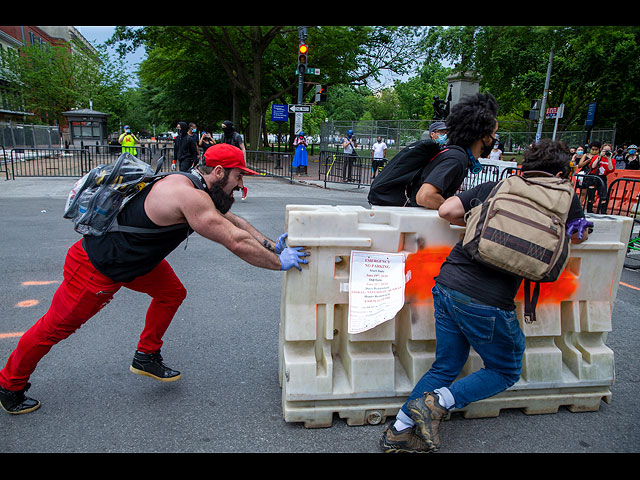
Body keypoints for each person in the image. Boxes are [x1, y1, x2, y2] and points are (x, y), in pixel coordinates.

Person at [0, 143, 309, 415]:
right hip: (97, 267)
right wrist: (278, 263)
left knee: (172, 292)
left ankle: (146, 355)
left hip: (137, 263)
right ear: (218, 171)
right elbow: (235, 241)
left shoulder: (195, 184)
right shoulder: (189, 197)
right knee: (53, 329)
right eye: (238, 177)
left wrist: (273, 246)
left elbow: (236, 222)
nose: (241, 186)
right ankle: (8, 386)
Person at [380, 139, 591, 453]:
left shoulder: (498, 186)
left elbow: (446, 209)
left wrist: (481, 222)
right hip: (487, 299)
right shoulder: (565, 198)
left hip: (448, 282)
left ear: (524, 167)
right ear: (561, 174)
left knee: (446, 365)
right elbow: (580, 234)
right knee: (504, 369)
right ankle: (437, 403)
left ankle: (398, 431)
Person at [408, 92, 500, 209]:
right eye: (493, 133)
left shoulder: (455, 154)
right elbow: (425, 196)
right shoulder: (456, 158)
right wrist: (463, 214)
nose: (495, 138)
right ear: (484, 136)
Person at [220, 121, 247, 199]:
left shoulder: (237, 136)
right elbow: (222, 147)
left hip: (236, 158)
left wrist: (244, 160)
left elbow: (243, 148)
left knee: (236, 175)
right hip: (226, 158)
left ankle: (242, 188)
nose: (223, 129)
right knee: (226, 175)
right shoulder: (223, 136)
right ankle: (230, 192)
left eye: (225, 127)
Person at [588, 142, 615, 213]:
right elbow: (593, 166)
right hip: (593, 177)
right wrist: (600, 156)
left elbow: (611, 169)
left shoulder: (612, 160)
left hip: (602, 178)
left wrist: (609, 158)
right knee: (591, 196)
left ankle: (602, 211)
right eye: (604, 150)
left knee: (603, 196)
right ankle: (589, 210)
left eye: (608, 151)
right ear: (601, 150)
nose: (606, 152)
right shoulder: (596, 157)